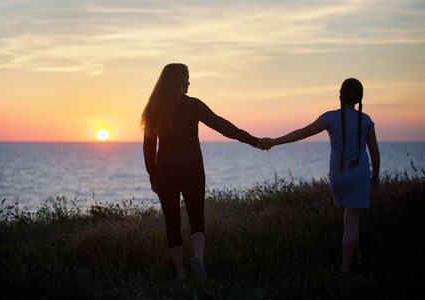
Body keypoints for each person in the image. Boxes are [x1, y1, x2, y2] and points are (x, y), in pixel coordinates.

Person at [140, 63, 263, 281]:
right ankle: (199, 258)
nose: (189, 82)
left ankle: (180, 272)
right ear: (178, 81)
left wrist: (153, 175)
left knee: (172, 222)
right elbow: (223, 126)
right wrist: (253, 141)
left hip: (165, 171)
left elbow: (149, 147)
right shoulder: (193, 105)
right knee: (196, 219)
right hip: (192, 169)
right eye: (187, 78)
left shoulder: (154, 108)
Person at [259, 78, 380, 273]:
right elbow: (374, 152)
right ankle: (345, 269)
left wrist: (274, 141)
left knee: (349, 218)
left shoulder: (330, 117)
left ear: (340, 95)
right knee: (352, 221)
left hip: (338, 175)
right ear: (359, 98)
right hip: (359, 175)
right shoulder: (365, 120)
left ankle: (357, 257)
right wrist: (376, 177)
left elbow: (302, 133)